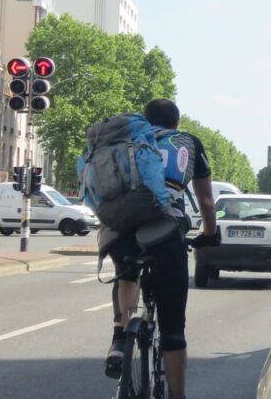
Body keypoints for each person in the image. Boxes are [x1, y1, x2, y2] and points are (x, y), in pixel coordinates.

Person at [103, 99, 219, 399]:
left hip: (120, 225)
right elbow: (206, 201)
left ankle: (121, 335)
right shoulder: (187, 142)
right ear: (175, 123)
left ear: (145, 119)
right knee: (172, 330)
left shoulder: (126, 137)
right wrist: (208, 234)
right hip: (166, 232)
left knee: (125, 269)